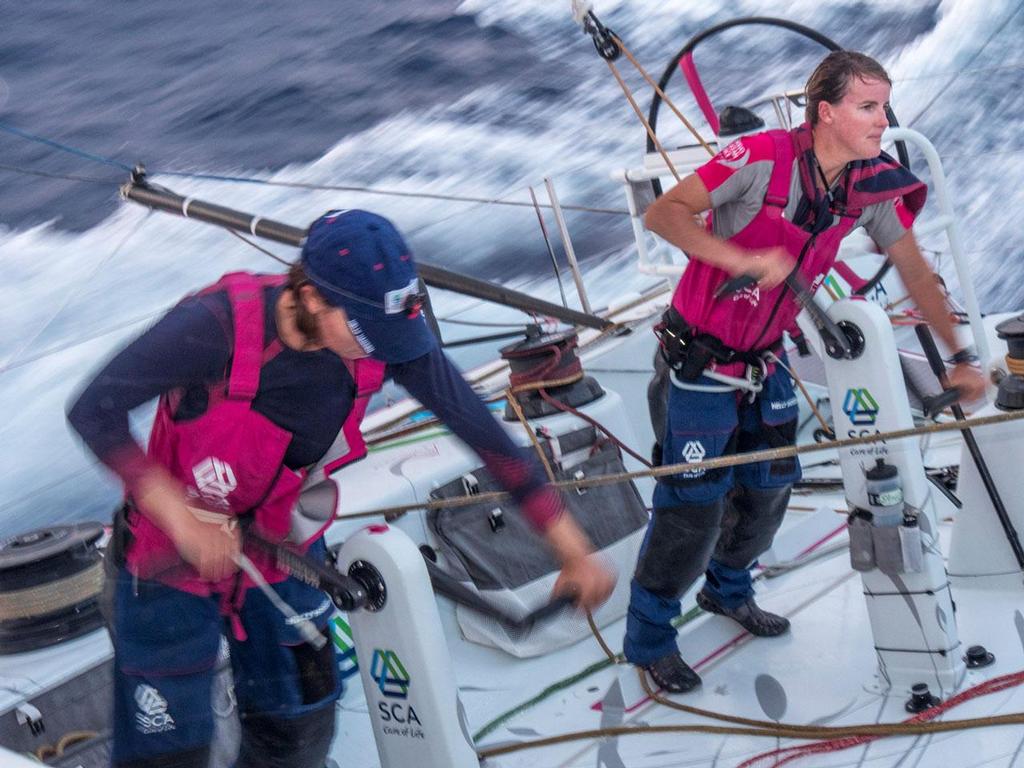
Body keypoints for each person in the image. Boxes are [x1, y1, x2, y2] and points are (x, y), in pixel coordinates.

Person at [67, 209, 615, 768]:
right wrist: (181, 516)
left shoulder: (386, 342)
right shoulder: (214, 325)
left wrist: (571, 547)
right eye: (362, 332)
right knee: (167, 755)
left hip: (281, 549)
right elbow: (94, 410)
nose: (378, 349)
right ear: (308, 295)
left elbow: (487, 436)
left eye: (389, 336)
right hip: (168, 556)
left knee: (299, 733)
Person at [624, 51, 986, 693]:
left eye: (883, 105)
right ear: (826, 112)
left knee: (769, 488)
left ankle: (728, 592)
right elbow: (665, 214)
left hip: (766, 363)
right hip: (698, 364)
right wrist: (740, 255)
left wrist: (959, 356)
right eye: (868, 107)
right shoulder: (759, 157)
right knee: (692, 508)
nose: (883, 120)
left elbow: (913, 268)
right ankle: (649, 638)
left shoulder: (867, 185)